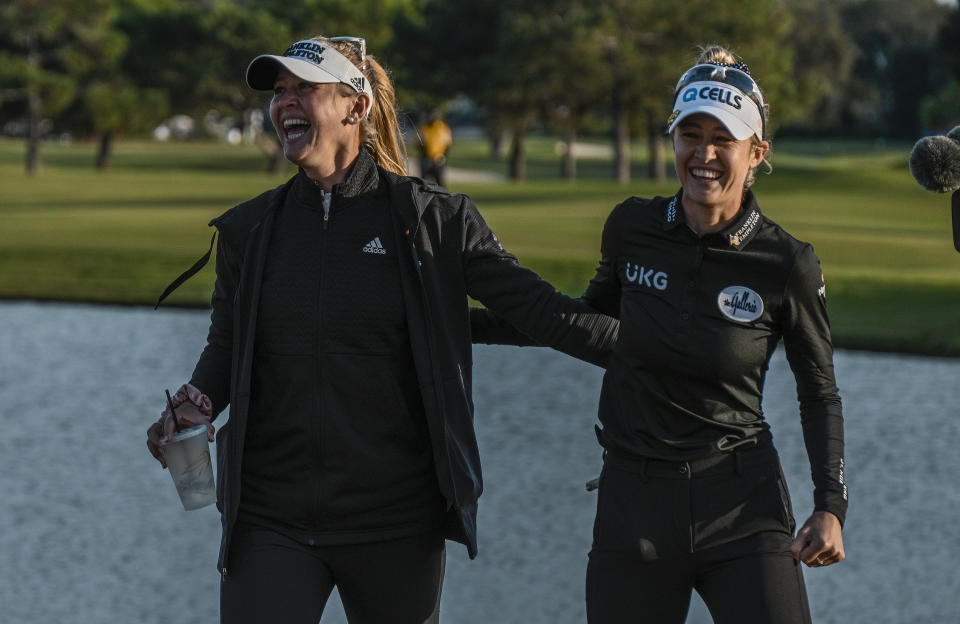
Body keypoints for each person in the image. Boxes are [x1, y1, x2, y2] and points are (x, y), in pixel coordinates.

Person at [145, 35, 617, 624]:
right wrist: (198, 403)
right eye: (279, 91)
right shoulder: (251, 229)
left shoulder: (433, 223)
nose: (285, 102)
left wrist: (664, 353)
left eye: (304, 88)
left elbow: (541, 312)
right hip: (272, 519)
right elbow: (228, 345)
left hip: (395, 522)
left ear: (355, 107)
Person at [476, 45, 847, 623]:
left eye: (723, 138)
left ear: (757, 154)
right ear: (671, 140)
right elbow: (578, 324)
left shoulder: (786, 263)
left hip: (742, 506)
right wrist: (456, 323)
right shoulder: (633, 227)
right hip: (636, 504)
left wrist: (831, 506)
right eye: (690, 135)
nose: (704, 154)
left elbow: (818, 390)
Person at [418, 109, 452, 186]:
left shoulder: (443, 128)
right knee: (422, 184)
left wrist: (443, 156)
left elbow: (448, 144)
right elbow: (419, 144)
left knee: (441, 184)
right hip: (426, 159)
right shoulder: (423, 128)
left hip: (439, 159)